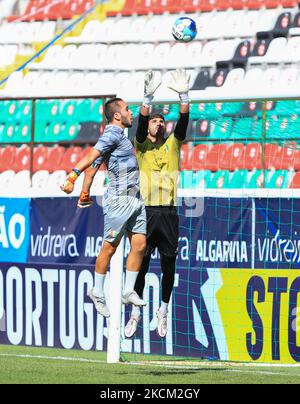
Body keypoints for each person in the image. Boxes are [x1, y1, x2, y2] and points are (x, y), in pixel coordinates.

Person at [77, 70, 190, 337]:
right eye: (154, 121)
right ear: (147, 124)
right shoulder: (139, 144)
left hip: (169, 211)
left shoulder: (173, 145)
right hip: (144, 208)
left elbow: (183, 122)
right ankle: (136, 314)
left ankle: (163, 310)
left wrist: (184, 97)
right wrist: (147, 99)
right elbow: (136, 126)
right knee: (140, 261)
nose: (158, 124)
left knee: (169, 265)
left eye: (162, 121)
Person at [61, 97, 147, 318]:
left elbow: (94, 168)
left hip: (135, 198)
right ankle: (97, 291)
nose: (131, 113)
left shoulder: (118, 137)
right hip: (118, 200)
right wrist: (72, 175)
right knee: (109, 248)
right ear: (117, 115)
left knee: (139, 244)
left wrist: (85, 191)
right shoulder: (111, 134)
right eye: (128, 110)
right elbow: (91, 157)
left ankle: (128, 290)